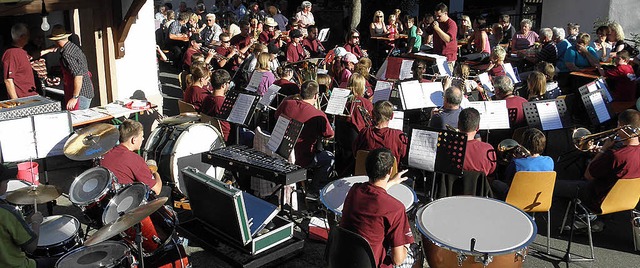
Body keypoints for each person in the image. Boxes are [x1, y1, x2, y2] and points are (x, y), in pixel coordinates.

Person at [340, 148, 414, 268]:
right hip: (373, 264)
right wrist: (406, 245)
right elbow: (398, 260)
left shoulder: (355, 190)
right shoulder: (396, 208)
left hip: (347, 259)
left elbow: (375, 193)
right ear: (390, 170)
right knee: (413, 251)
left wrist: (392, 182)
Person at [275, 81, 334, 193]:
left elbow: (276, 116)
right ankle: (314, 188)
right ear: (316, 96)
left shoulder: (286, 104)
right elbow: (330, 135)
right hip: (303, 158)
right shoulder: (318, 114)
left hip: (281, 152)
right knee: (329, 157)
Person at [102, 120, 164, 196]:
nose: (143, 139)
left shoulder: (107, 153)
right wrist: (155, 173)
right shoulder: (134, 159)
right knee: (167, 190)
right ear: (133, 140)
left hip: (109, 196)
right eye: (142, 136)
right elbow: (157, 190)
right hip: (126, 199)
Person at [493, 128, 554, 200]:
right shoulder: (549, 161)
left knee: (494, 183)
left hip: (516, 199)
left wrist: (515, 159)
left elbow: (507, 179)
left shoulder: (516, 163)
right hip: (539, 199)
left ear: (524, 143)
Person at [0, 177, 44, 268]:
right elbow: (31, 247)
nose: (8, 181)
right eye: (5, 180)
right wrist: (36, 222)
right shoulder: (7, 213)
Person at [48, 25, 94, 110]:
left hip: (81, 93)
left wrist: (75, 97)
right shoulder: (73, 47)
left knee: (78, 120)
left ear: (56, 41)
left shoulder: (67, 54)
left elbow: (78, 75)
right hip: (85, 90)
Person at [2, 23, 37, 99]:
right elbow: (8, 80)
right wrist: (17, 102)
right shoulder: (11, 53)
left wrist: (48, 50)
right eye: (27, 35)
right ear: (22, 37)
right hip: (23, 99)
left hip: (31, 96)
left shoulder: (22, 52)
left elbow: (32, 57)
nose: (29, 37)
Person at [458, 108, 496, 176]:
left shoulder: (449, 147)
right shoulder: (488, 149)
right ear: (478, 127)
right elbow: (491, 170)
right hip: (480, 186)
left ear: (458, 125)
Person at [201, 69, 232, 142]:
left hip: (210, 133)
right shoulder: (221, 103)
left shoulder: (207, 98)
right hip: (225, 137)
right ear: (223, 85)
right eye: (228, 83)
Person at [426, 2, 457, 70]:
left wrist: (437, 29)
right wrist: (421, 32)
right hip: (437, 55)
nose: (437, 18)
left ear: (445, 13)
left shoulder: (451, 24)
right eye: (435, 16)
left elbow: (448, 39)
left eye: (439, 16)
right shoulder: (436, 22)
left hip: (447, 57)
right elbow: (428, 33)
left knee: (446, 78)